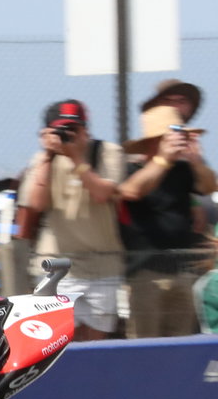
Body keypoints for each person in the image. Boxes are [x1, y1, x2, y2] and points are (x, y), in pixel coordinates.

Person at [15, 100, 125, 340]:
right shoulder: (43, 160)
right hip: (57, 267)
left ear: (86, 129)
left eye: (74, 129)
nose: (69, 135)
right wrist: (47, 156)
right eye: (62, 130)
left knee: (97, 345)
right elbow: (36, 203)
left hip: (102, 267)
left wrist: (76, 158)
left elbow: (102, 194)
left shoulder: (107, 152)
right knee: (60, 343)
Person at [119, 92, 217, 338]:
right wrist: (162, 160)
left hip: (182, 272)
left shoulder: (183, 170)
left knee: (180, 345)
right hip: (146, 275)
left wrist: (195, 162)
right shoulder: (131, 168)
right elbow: (131, 191)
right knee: (144, 347)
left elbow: (209, 186)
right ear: (155, 141)